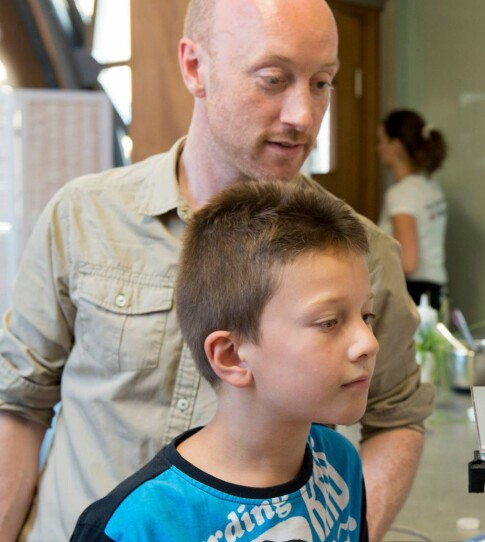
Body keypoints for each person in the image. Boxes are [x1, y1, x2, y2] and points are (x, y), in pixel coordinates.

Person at [0, 1, 433, 540]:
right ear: (194, 67)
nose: (303, 115)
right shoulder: (82, 216)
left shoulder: (360, 252)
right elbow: (18, 403)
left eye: (322, 83)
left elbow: (396, 417)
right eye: (273, 79)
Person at [71, 181, 375, 541]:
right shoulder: (137, 527)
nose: (368, 343)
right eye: (328, 322)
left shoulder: (340, 463)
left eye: (367, 317)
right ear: (232, 357)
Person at [377, 109, 449, 310]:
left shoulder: (401, 194)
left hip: (415, 293)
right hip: (436, 289)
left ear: (396, 146)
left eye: (382, 140)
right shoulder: (430, 185)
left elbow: (408, 262)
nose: (378, 148)